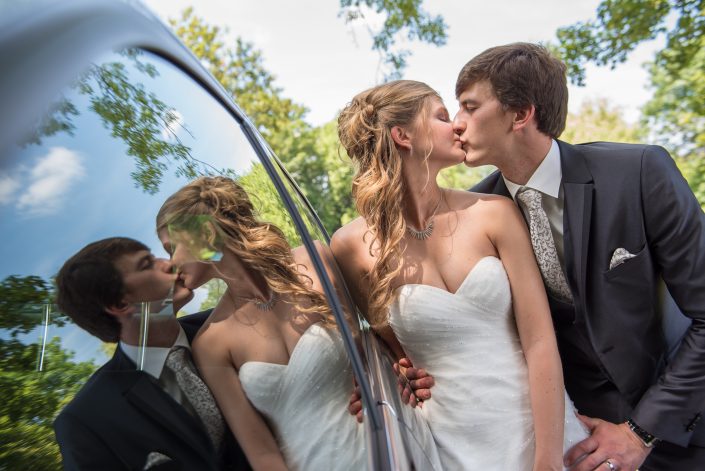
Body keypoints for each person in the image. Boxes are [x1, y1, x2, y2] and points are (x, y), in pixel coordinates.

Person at [452, 42, 705, 470]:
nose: (456, 125)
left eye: (469, 107)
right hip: (578, 443)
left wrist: (641, 432)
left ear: (520, 114)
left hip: (683, 431)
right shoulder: (474, 215)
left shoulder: (640, 172)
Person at [332, 80, 588, 470]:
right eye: (441, 116)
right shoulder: (350, 247)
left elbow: (539, 342)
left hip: (543, 430)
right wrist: (400, 372)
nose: (457, 126)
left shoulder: (494, 212)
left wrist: (548, 460)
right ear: (403, 136)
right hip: (452, 445)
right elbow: (392, 350)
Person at [155, 176, 364, 471]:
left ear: (204, 234)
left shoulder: (316, 259)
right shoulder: (210, 344)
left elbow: (368, 353)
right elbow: (263, 455)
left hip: (385, 436)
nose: (169, 264)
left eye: (170, 247)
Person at [53, 237, 250, 470]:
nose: (168, 263)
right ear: (119, 304)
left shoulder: (232, 321)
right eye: (147, 264)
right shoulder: (86, 421)